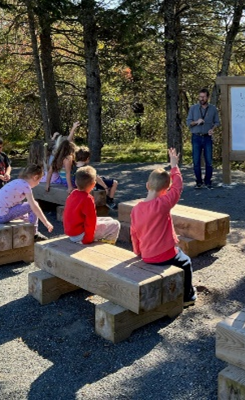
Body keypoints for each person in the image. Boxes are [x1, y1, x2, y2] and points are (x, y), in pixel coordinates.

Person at [130, 148, 197, 306]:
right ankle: (188, 297)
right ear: (165, 190)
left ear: (147, 185)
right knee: (186, 262)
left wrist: (138, 252)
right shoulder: (163, 204)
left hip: (146, 254)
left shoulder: (136, 209)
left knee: (178, 253)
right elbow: (178, 187)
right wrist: (174, 166)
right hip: (165, 255)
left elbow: (133, 233)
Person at [0, 164, 54, 241]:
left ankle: (26, 232)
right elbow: (33, 206)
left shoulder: (17, 182)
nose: (38, 183)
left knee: (26, 215)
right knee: (33, 205)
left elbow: (16, 205)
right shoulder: (26, 186)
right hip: (1, 216)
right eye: (39, 181)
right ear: (35, 177)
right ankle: (34, 234)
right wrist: (46, 222)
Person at [63, 166, 120, 245]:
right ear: (93, 184)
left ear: (76, 182)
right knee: (115, 224)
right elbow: (91, 221)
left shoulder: (73, 194)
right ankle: (105, 246)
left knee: (109, 219)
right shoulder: (88, 199)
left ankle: (99, 239)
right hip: (81, 236)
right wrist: (87, 239)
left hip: (72, 233)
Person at [186, 88, 220, 189]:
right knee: (196, 161)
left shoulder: (213, 109)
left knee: (209, 161)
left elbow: (217, 122)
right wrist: (196, 122)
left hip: (207, 137)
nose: (201, 99)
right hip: (196, 137)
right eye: (200, 97)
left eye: (203, 97)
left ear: (207, 97)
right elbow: (188, 122)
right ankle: (198, 182)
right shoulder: (193, 108)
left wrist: (212, 129)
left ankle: (208, 181)